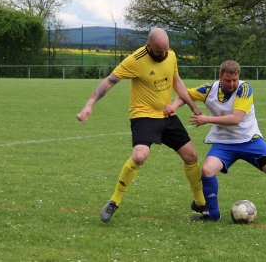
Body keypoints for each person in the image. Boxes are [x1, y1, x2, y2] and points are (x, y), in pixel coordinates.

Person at [166, 60, 266, 222]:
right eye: (228, 80)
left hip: (250, 141)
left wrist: (206, 119)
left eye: (235, 79)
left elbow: (236, 118)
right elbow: (184, 94)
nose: (232, 84)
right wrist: (174, 107)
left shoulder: (244, 89)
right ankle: (213, 215)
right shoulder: (209, 89)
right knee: (207, 170)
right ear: (220, 77)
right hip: (223, 144)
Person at [77, 28, 207, 223]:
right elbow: (109, 81)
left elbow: (176, 81)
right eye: (159, 51)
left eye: (166, 49)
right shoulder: (135, 60)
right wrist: (89, 105)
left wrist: (193, 108)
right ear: (149, 46)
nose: (163, 54)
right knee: (139, 156)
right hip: (143, 115)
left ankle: (200, 202)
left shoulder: (171, 55)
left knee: (191, 156)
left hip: (166, 114)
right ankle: (114, 200)